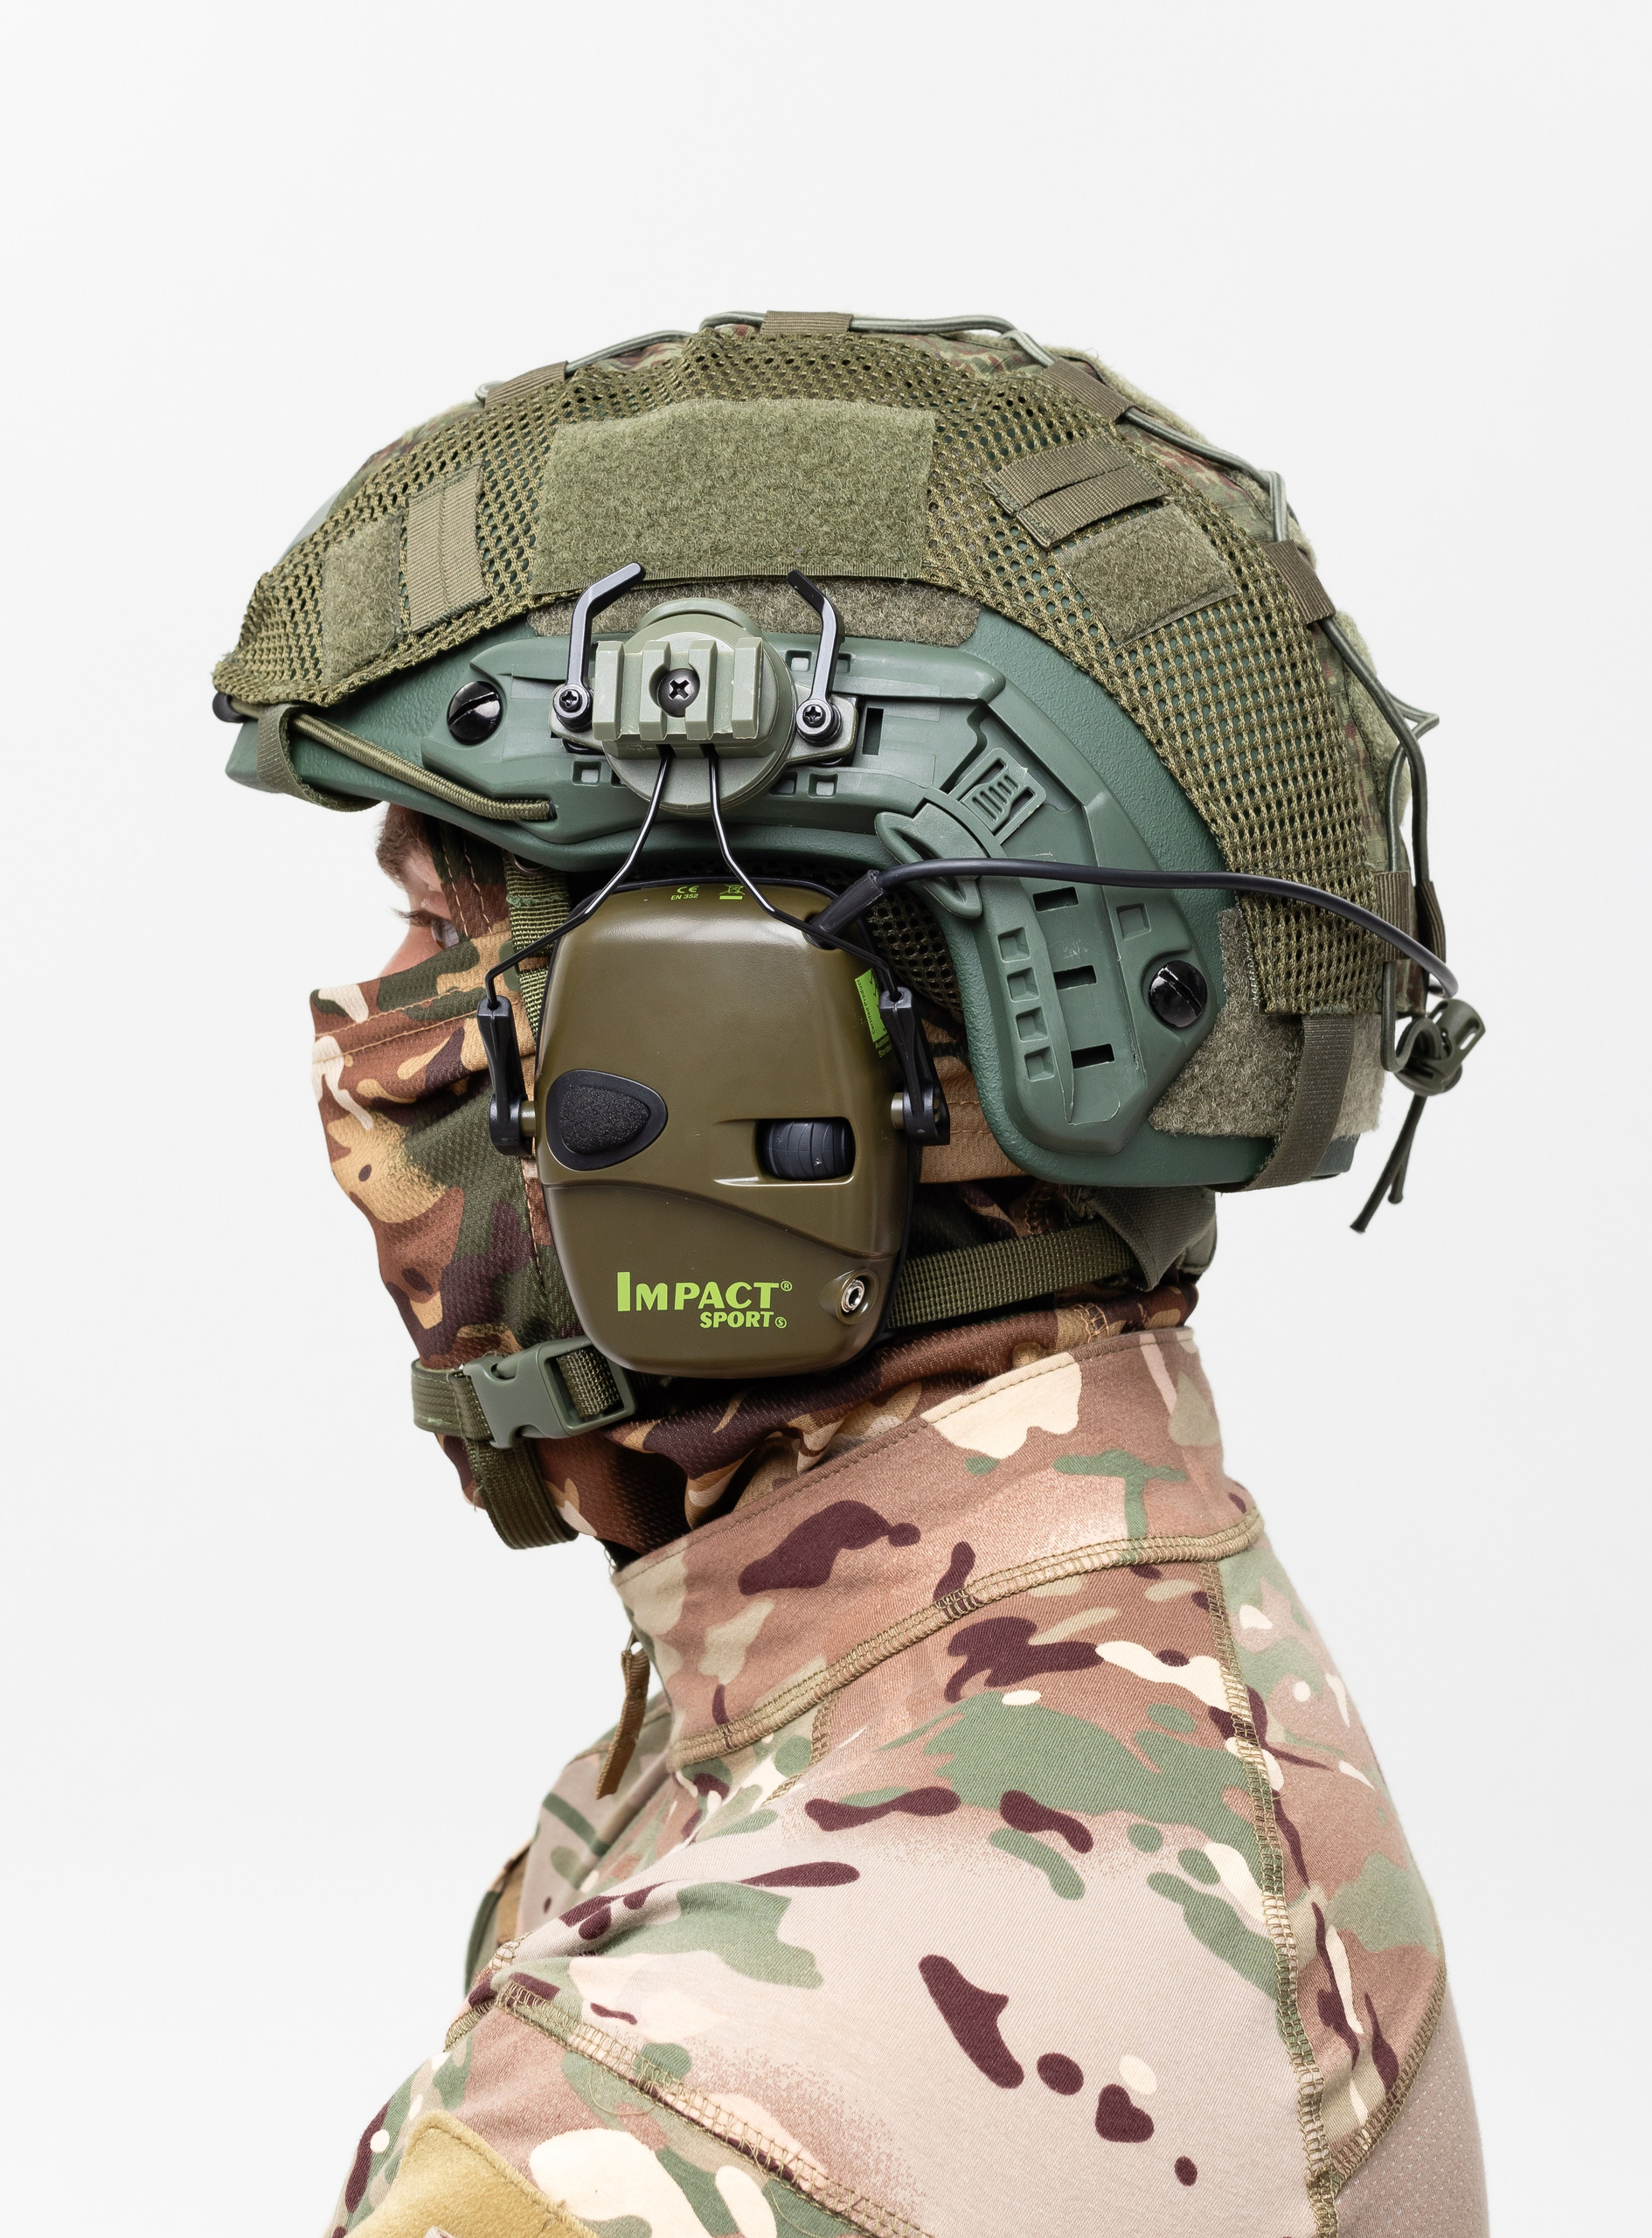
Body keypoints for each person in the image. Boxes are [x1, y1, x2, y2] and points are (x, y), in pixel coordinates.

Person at [219, 312, 1489, 2236]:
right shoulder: (1165, 1687)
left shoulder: (678, 2117)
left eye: (431, 923)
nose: (373, 1039)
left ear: (761, 1061)